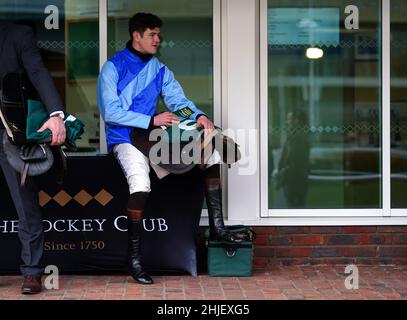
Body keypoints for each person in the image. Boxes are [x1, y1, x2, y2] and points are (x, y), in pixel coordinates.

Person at [97, 12, 240, 285]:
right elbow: (112, 113)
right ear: (136, 35)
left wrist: (198, 115)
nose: (157, 39)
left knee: (210, 152)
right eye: (152, 34)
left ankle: (218, 228)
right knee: (140, 184)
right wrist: (151, 119)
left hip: (152, 136)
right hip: (125, 138)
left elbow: (178, 102)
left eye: (158, 34)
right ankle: (134, 258)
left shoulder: (159, 68)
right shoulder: (112, 68)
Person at [0, 21, 66, 294]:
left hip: (10, 130)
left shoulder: (17, 34)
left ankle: (32, 272)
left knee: (25, 201)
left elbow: (38, 72)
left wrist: (55, 115)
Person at [274, 110, 310, 208]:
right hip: (291, 180)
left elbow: (293, 159)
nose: (287, 121)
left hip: (294, 180)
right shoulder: (294, 136)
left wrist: (283, 173)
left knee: (294, 206)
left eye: (289, 119)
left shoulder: (299, 138)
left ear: (296, 120)